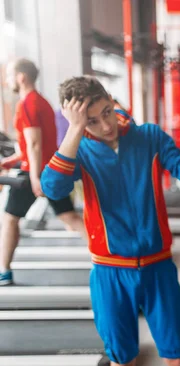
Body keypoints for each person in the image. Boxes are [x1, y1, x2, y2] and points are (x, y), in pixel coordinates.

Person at [40, 76, 180, 366]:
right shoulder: (78, 150)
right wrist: (74, 130)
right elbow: (53, 188)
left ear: (112, 100)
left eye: (107, 112)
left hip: (158, 269)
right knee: (122, 361)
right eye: (91, 120)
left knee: (177, 356)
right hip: (110, 274)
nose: (105, 125)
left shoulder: (148, 136)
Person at [0, 58, 86, 286]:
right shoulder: (42, 102)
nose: (7, 81)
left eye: (9, 76)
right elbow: (35, 145)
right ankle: (107, 254)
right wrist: (10, 161)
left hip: (35, 172)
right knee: (69, 217)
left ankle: (4, 272)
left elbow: (35, 144)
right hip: (49, 168)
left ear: (21, 77)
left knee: (9, 220)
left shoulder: (27, 104)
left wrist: (35, 177)